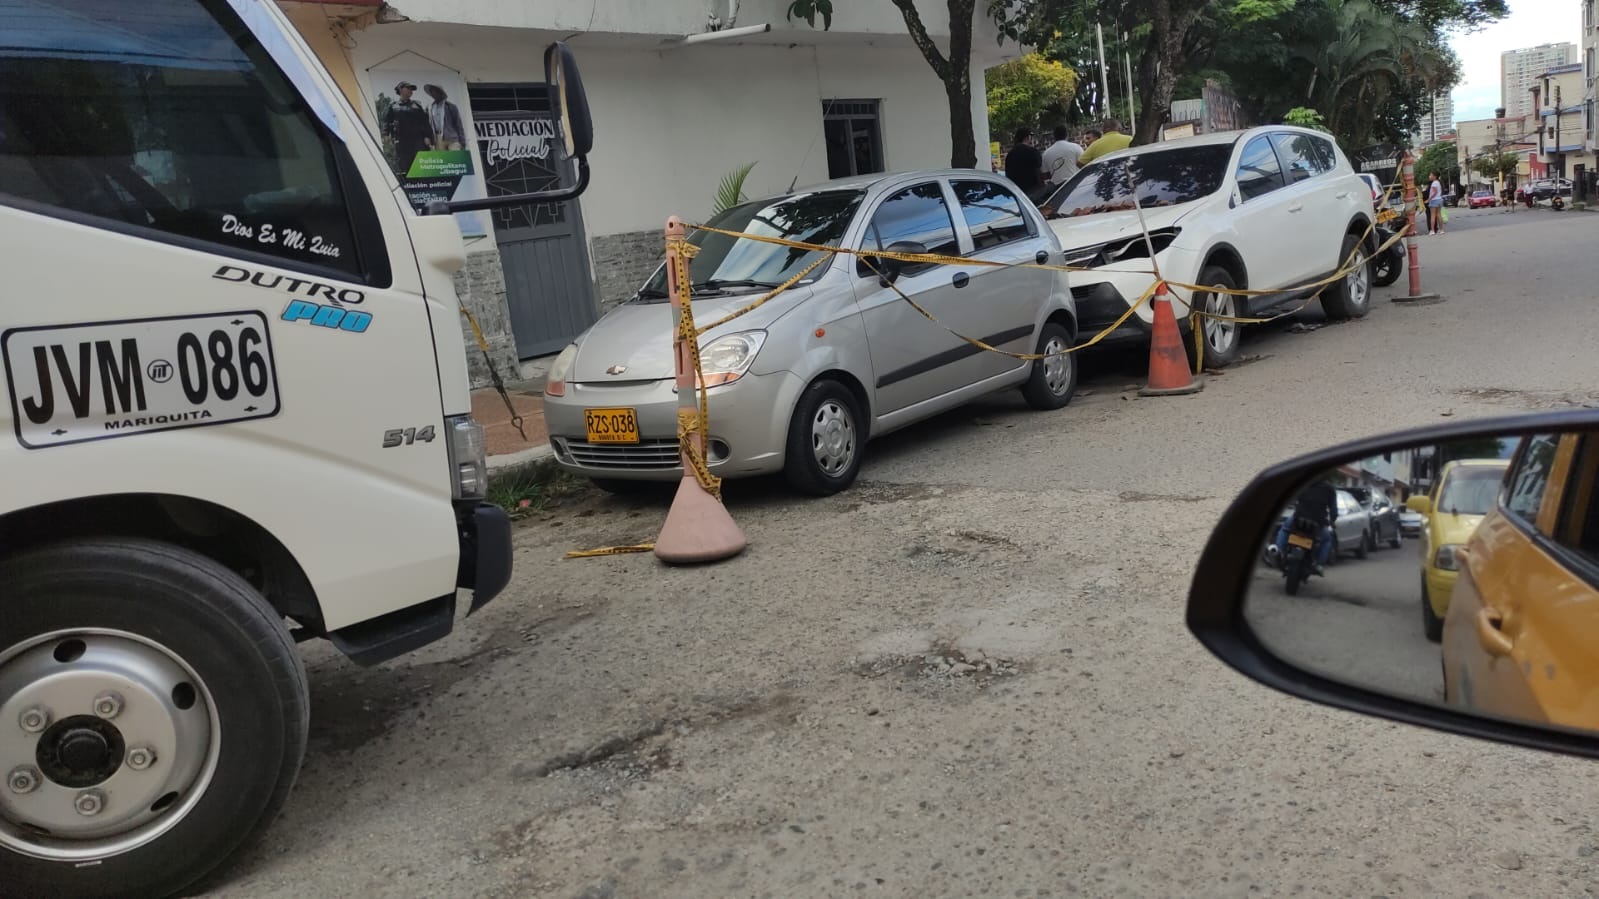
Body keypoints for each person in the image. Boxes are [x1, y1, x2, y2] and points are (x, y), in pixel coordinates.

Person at [1273, 478, 1338, 574]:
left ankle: (1279, 550)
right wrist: (1332, 521)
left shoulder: (1303, 484)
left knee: (1284, 529)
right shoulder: (1329, 489)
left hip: (1297, 520)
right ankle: (1319, 564)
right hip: (1317, 524)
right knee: (1327, 540)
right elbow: (1334, 510)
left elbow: (1292, 498)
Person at [382, 81, 433, 177]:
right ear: (401, 89)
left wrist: (427, 136)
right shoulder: (393, 106)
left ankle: (422, 183)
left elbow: (424, 121)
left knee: (419, 162)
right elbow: (387, 121)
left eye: (412, 89)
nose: (411, 91)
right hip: (401, 139)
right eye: (408, 88)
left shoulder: (416, 106)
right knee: (404, 162)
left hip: (417, 139)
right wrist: (385, 134)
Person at [422, 84, 467, 151]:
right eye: (432, 92)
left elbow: (458, 124)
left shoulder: (450, 106)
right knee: (443, 160)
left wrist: (462, 141)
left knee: (455, 159)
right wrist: (427, 137)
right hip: (438, 138)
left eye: (435, 91)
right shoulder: (429, 108)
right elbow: (426, 124)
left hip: (452, 137)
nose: (434, 93)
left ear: (440, 92)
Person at [1004, 128, 1044, 199]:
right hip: (1034, 193)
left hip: (1016, 194)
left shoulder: (1010, 155)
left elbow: (1008, 174)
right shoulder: (1033, 152)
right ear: (1027, 137)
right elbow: (1039, 172)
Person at [1040, 124, 1083, 190]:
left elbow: (1045, 175)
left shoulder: (1046, 153)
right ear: (1066, 135)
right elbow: (1084, 165)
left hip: (1058, 190)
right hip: (1076, 184)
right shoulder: (1076, 147)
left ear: (1054, 136)